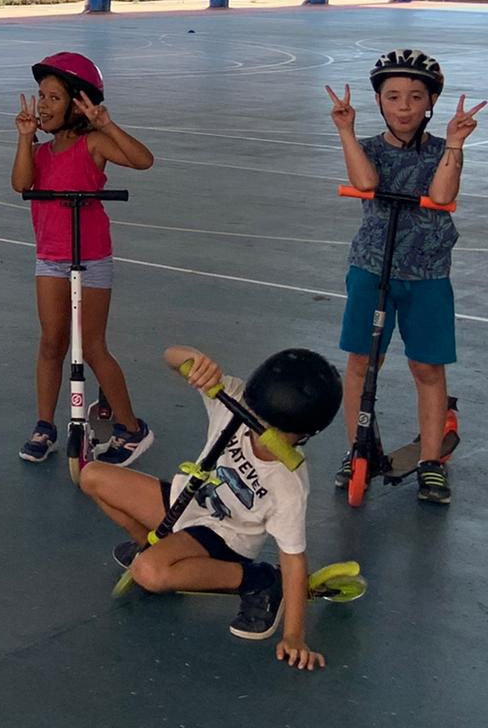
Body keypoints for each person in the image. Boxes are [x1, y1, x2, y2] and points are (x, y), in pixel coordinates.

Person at [81, 346, 342, 670]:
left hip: (225, 537)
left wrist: (294, 636)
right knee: (92, 476)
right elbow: (171, 357)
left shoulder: (289, 482)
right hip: (187, 504)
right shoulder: (232, 398)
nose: (261, 434)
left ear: (304, 435)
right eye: (259, 419)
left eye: (276, 430)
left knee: (149, 572)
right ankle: (152, 545)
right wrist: (195, 361)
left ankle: (260, 580)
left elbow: (293, 556)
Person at [327, 49, 480, 504]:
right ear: (379, 102)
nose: (405, 106)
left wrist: (455, 143)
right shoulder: (370, 148)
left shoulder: (439, 151)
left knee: (427, 366)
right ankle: (359, 447)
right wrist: (346, 132)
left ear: (431, 101)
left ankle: (431, 460)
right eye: (392, 96)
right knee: (362, 361)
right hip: (372, 269)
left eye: (416, 96)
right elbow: (366, 183)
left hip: (427, 272)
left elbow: (442, 194)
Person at [12, 52, 156, 466]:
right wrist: (24, 139)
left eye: (53, 98)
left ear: (78, 105)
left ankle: (132, 428)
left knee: (91, 345)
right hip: (50, 258)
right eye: (41, 96)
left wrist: (106, 124)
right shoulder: (40, 153)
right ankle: (45, 425)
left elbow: (143, 160)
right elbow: (21, 184)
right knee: (51, 342)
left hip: (90, 258)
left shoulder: (93, 144)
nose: (43, 105)